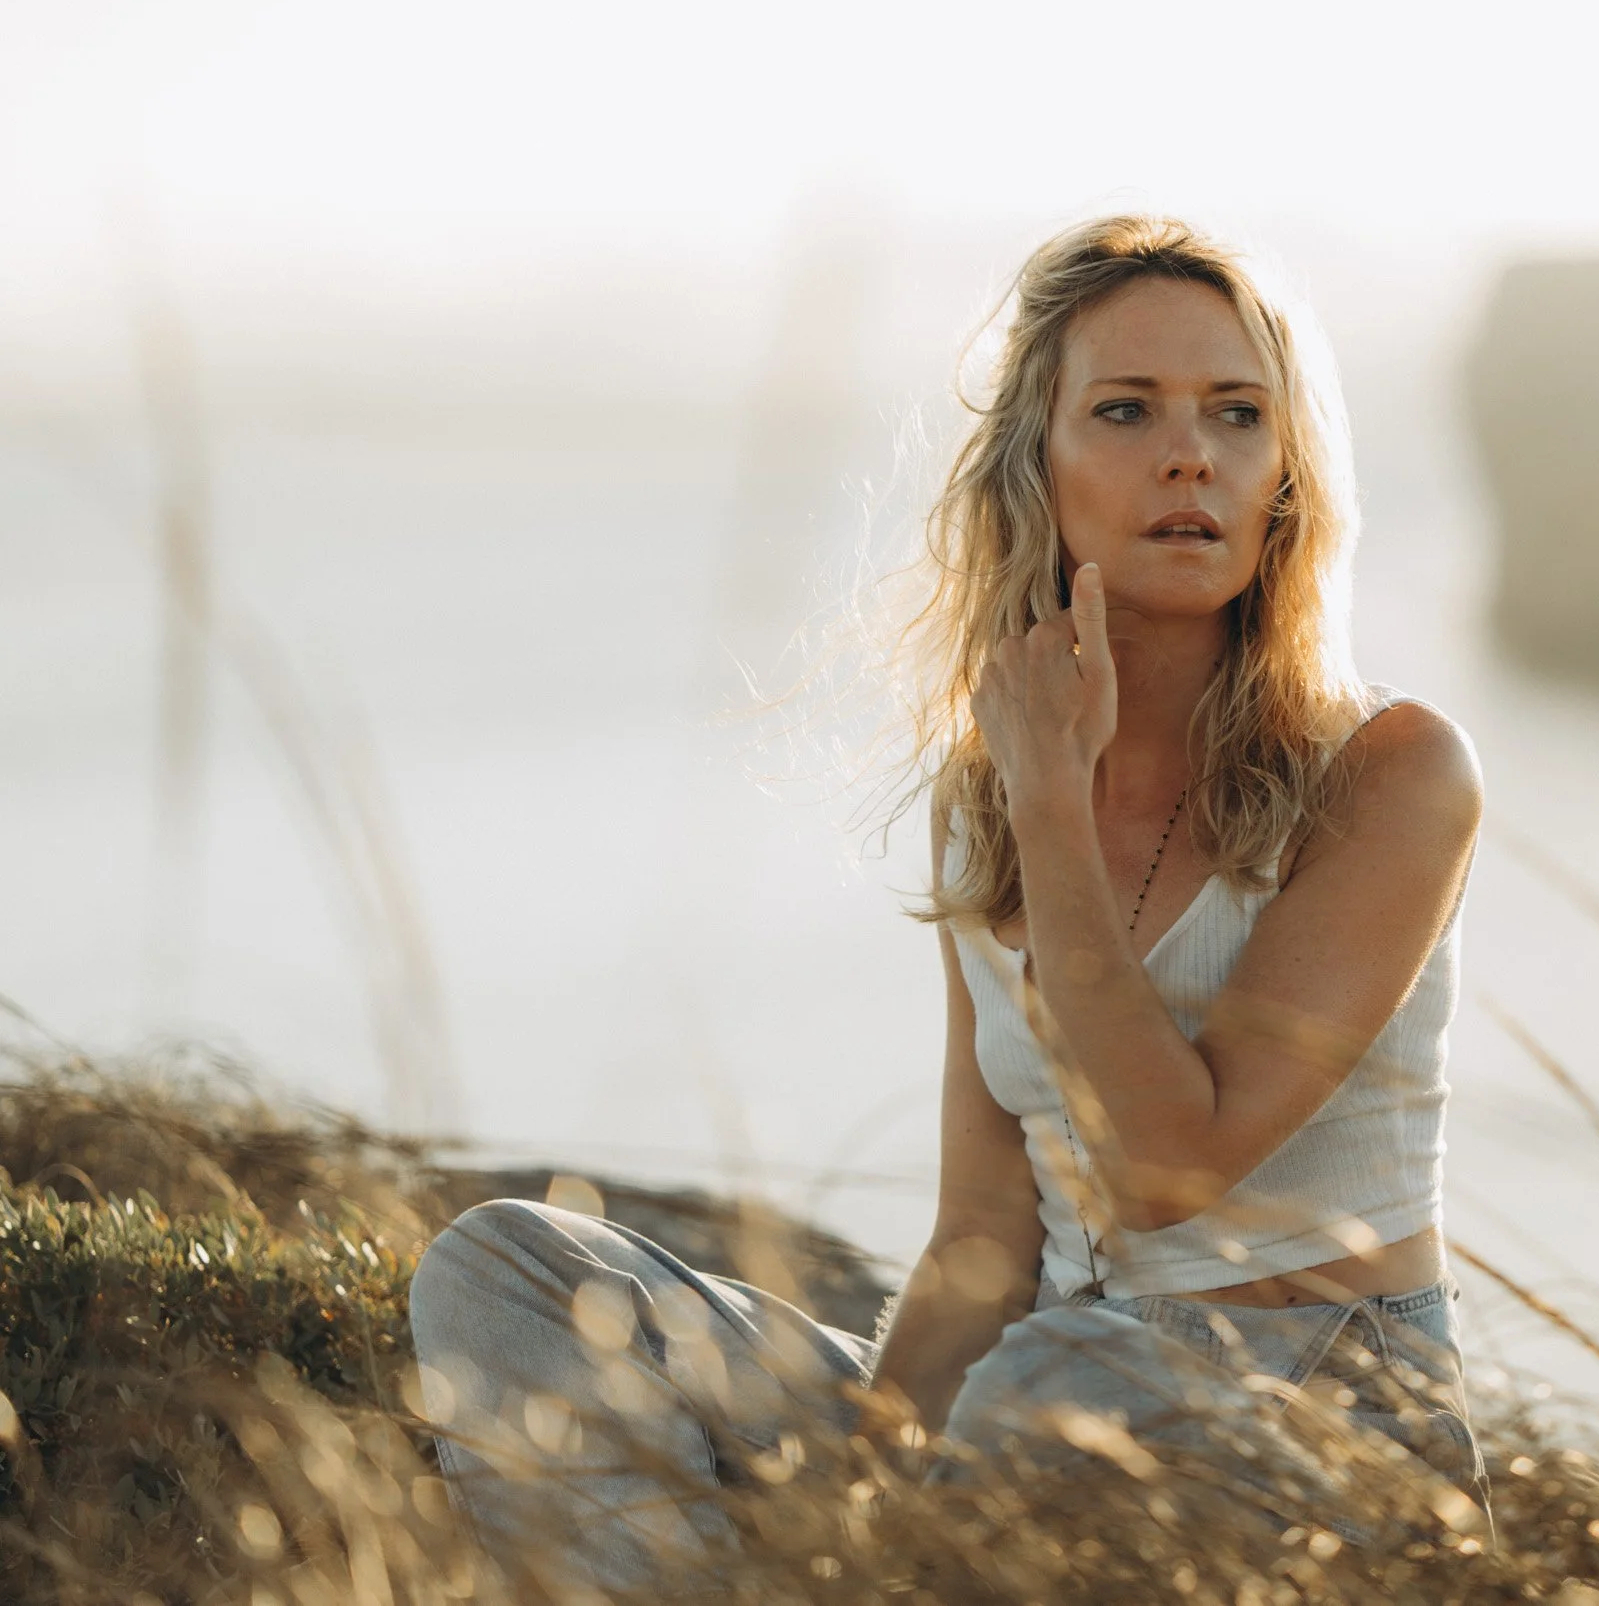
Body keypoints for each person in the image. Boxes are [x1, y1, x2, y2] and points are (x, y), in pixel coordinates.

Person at [407, 213, 1487, 1591]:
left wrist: (1056, 809)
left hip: (1326, 1415)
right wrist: (866, 1471)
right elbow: (984, 1239)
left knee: (1066, 1363)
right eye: (1125, 409)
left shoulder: (1393, 771)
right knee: (504, 1271)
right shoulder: (985, 800)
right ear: (1036, 463)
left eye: (1236, 413)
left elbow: (1171, 1171)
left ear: (1284, 472)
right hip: (1034, 1389)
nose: (1190, 454)